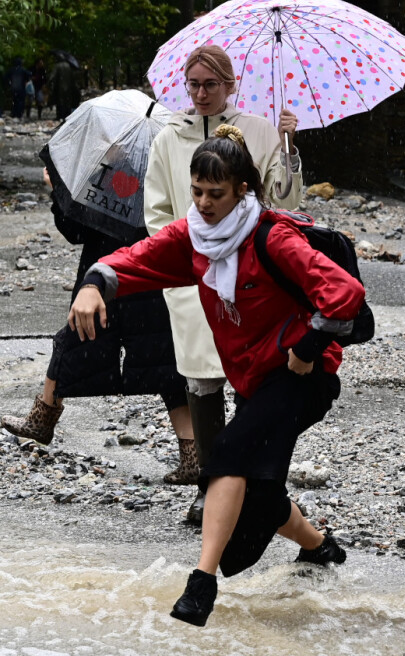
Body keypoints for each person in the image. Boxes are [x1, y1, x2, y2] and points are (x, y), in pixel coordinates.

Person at [69, 124, 361, 627]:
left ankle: (200, 585)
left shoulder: (273, 236)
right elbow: (137, 259)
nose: (203, 203)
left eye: (216, 194)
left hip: (301, 376)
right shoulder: (194, 238)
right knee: (261, 491)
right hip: (253, 379)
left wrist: (308, 347)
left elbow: (345, 294)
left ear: (242, 190)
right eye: (197, 191)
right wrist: (94, 283)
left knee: (226, 453)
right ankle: (320, 548)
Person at [144, 44, 304, 522]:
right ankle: (210, 485)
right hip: (193, 276)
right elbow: (156, 211)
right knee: (201, 378)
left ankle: (251, 481)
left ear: (230, 85)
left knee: (252, 375)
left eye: (210, 84)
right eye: (193, 84)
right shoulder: (168, 137)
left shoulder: (260, 129)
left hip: (251, 276)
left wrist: (288, 148)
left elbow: (284, 201)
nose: (200, 93)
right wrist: (181, 256)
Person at [2, 167, 194, 486]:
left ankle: (43, 419)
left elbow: (75, 231)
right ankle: (192, 453)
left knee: (75, 340)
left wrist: (60, 190)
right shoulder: (152, 170)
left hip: (112, 276)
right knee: (163, 360)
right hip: (144, 276)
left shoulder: (106, 174)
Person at [47, 54, 79, 121]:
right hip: (69, 87)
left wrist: (49, 84)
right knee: (67, 102)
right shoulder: (69, 66)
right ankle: (67, 115)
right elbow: (73, 78)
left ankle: (60, 116)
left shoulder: (57, 66)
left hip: (59, 87)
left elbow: (52, 77)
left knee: (60, 102)